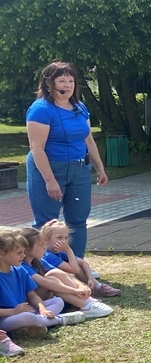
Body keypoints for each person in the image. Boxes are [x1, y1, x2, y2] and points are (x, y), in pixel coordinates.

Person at [25, 61, 109, 259]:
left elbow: (88, 140)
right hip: (49, 168)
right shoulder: (41, 109)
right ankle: (45, 265)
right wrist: (50, 180)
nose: (68, 85)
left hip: (79, 169)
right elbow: (37, 148)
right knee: (47, 222)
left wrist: (100, 168)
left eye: (71, 81)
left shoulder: (80, 107)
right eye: (62, 81)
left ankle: (76, 263)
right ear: (49, 83)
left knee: (78, 220)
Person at [0, 229, 85, 338]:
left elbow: (32, 295)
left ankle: (33, 325)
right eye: (19, 253)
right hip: (6, 318)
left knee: (58, 301)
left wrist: (42, 309)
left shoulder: (20, 270)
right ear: (1, 253)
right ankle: (58, 320)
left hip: (25, 310)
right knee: (27, 317)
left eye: (24, 252)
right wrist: (13, 311)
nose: (23, 255)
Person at [39, 219, 120, 297]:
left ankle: (97, 286)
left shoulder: (58, 252)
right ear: (46, 239)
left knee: (77, 264)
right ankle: (88, 292)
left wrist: (90, 278)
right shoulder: (47, 255)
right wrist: (69, 251)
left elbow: (83, 263)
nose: (64, 241)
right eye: (59, 238)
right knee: (72, 267)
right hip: (51, 288)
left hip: (62, 283)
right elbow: (75, 270)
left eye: (66, 237)